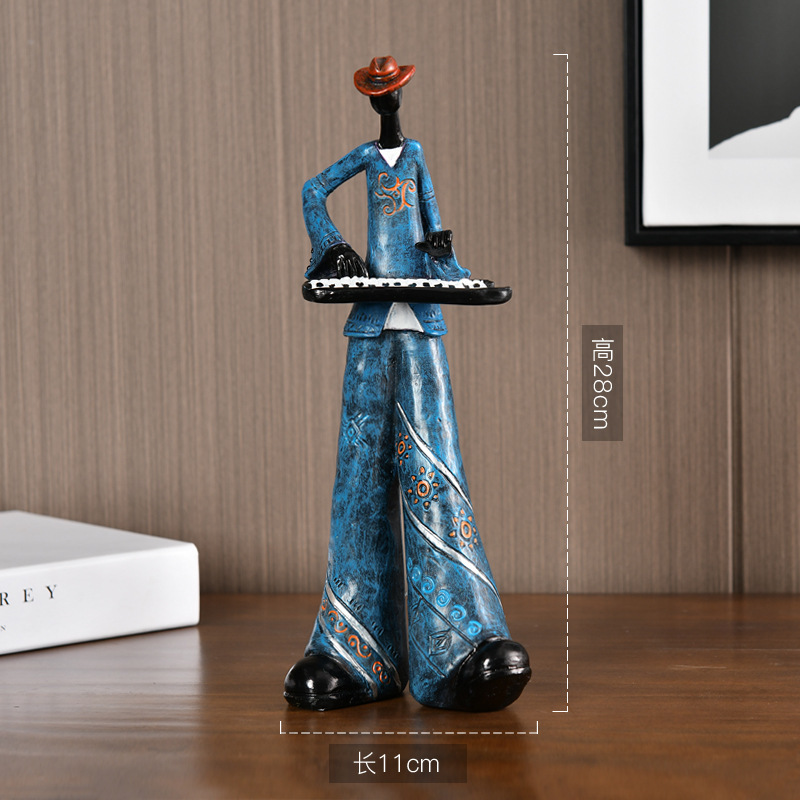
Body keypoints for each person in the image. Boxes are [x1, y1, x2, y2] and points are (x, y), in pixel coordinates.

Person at [284, 57, 530, 712]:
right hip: (370, 320)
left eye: (392, 92)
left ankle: (460, 648)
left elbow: (433, 228)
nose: (386, 102)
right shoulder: (365, 157)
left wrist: (455, 272)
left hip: (418, 320)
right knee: (358, 474)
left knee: (433, 466)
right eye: (379, 93)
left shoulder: (413, 156)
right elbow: (312, 191)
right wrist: (333, 251)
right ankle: (352, 651)